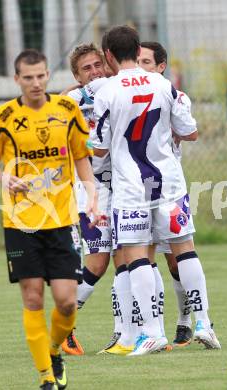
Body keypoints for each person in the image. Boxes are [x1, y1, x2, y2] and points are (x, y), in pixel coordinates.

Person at [92, 25, 221, 356]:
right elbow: (189, 132)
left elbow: (100, 148)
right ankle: (204, 323)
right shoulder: (164, 84)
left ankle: (152, 333)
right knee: (185, 250)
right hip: (170, 185)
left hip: (131, 189)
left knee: (136, 256)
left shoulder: (106, 91)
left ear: (108, 55)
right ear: (138, 51)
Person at [0, 49, 98, 389]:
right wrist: (3, 178)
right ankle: (46, 377)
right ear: (17, 79)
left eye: (40, 75)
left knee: (67, 302)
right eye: (27, 77)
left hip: (61, 220)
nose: (35, 82)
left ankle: (54, 349)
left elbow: (81, 156)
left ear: (47, 75)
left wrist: (93, 195)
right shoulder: (2, 116)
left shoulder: (67, 109)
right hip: (21, 223)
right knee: (32, 298)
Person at [66, 43, 135, 355]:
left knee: (126, 257)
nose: (94, 72)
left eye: (98, 65)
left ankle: (125, 334)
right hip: (92, 190)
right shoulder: (72, 101)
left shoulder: (117, 91)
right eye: (86, 69)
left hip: (123, 185)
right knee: (97, 262)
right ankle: (62, 322)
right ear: (78, 77)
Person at [138, 41, 193, 347]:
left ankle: (186, 320)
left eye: (147, 62)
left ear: (160, 67)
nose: (140, 67)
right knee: (140, 260)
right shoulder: (126, 94)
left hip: (167, 189)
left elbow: (190, 132)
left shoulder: (172, 95)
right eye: (137, 61)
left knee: (177, 260)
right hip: (135, 189)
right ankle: (147, 329)